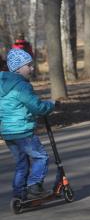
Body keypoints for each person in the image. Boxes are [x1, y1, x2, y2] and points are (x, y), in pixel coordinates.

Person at [0, 49, 56, 199]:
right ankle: (35, 186)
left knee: (21, 164)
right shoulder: (21, 86)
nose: (32, 68)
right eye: (28, 65)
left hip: (8, 133)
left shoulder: (2, 85)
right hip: (23, 131)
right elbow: (37, 107)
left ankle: (19, 194)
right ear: (17, 68)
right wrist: (50, 105)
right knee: (41, 157)